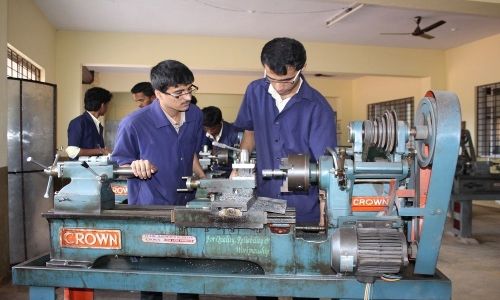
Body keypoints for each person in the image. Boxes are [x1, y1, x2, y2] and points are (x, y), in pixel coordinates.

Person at [112, 60, 204, 300]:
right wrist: (134, 165)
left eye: (189, 89)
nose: (187, 98)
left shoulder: (195, 115)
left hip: (186, 205)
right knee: (151, 281)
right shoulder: (134, 123)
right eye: (178, 93)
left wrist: (204, 179)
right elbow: (119, 163)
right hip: (150, 209)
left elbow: (191, 151)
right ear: (158, 94)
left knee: (189, 278)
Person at [233, 37, 337, 227]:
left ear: (302, 67)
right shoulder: (255, 92)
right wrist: (240, 165)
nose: (279, 86)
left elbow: (327, 168)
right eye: (272, 78)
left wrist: (324, 214)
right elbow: (250, 132)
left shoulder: (318, 108)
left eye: (288, 80)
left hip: (302, 209)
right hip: (262, 202)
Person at [66, 87, 112, 159]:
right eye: (107, 104)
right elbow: (72, 151)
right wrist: (101, 151)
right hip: (80, 169)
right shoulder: (78, 122)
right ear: (102, 105)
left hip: (93, 168)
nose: (107, 107)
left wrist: (103, 151)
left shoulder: (98, 125)